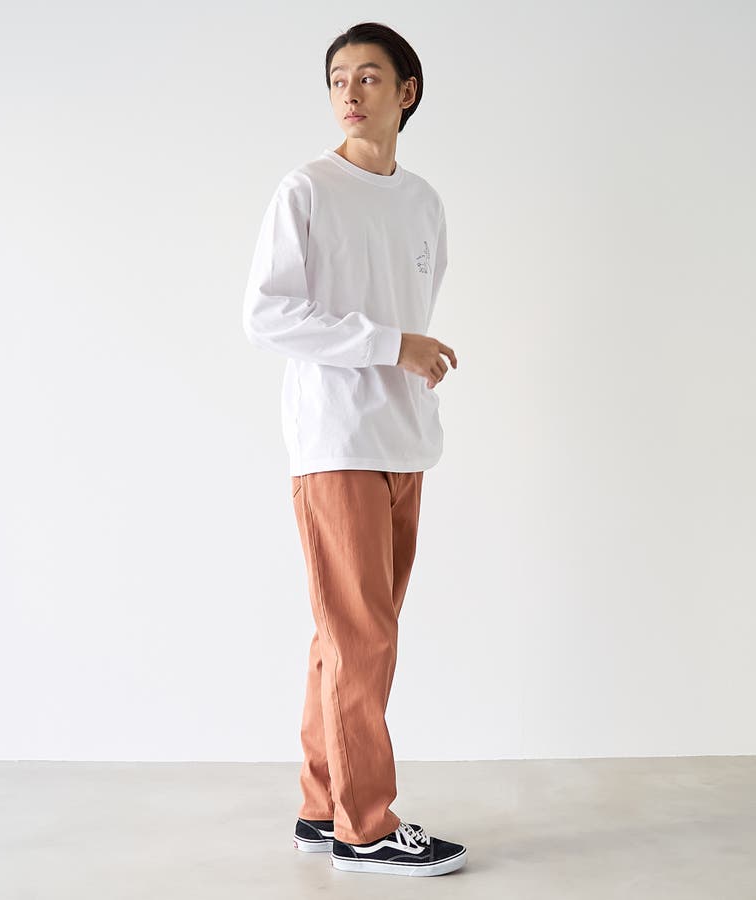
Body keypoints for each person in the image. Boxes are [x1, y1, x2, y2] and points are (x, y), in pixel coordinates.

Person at [243, 21, 466, 877]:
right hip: (335, 439)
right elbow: (267, 315)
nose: (349, 91)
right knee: (361, 636)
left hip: (403, 441)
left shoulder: (424, 203)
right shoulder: (306, 189)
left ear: (406, 92)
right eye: (338, 78)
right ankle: (364, 827)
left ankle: (321, 805)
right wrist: (391, 345)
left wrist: (409, 357)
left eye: (369, 76)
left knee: (350, 635)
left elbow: (412, 304)